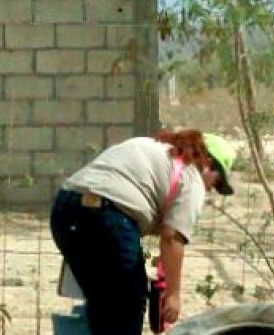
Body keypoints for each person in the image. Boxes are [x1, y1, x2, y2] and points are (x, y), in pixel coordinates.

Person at [50, 128, 235, 335]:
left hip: (65, 209)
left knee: (103, 303)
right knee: (127, 304)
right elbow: (172, 237)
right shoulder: (192, 177)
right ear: (208, 163)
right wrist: (173, 295)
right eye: (217, 182)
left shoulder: (149, 146)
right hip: (109, 215)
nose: (211, 189)